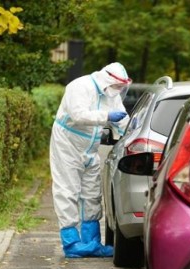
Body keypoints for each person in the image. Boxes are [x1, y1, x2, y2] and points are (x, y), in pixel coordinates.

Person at [50, 62, 132, 258]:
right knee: (68, 190)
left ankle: (91, 242)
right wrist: (106, 116)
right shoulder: (79, 87)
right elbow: (78, 115)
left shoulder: (111, 94)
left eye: (122, 88)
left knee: (92, 192)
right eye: (118, 87)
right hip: (67, 145)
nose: (119, 91)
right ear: (108, 80)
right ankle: (71, 243)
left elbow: (121, 120)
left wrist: (131, 130)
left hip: (91, 148)